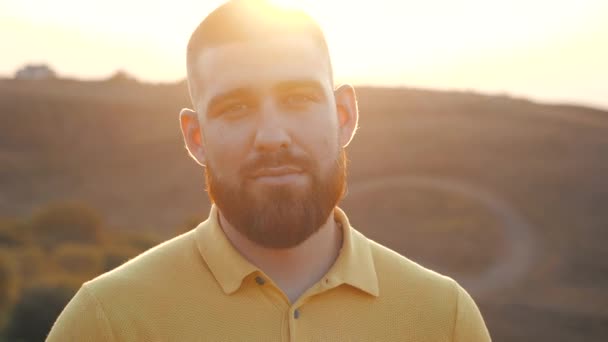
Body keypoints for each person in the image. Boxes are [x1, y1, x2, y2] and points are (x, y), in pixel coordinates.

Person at [47, 1, 491, 340]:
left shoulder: (444, 319)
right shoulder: (105, 321)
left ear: (344, 116)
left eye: (298, 98)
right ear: (195, 137)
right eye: (236, 107)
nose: (272, 135)